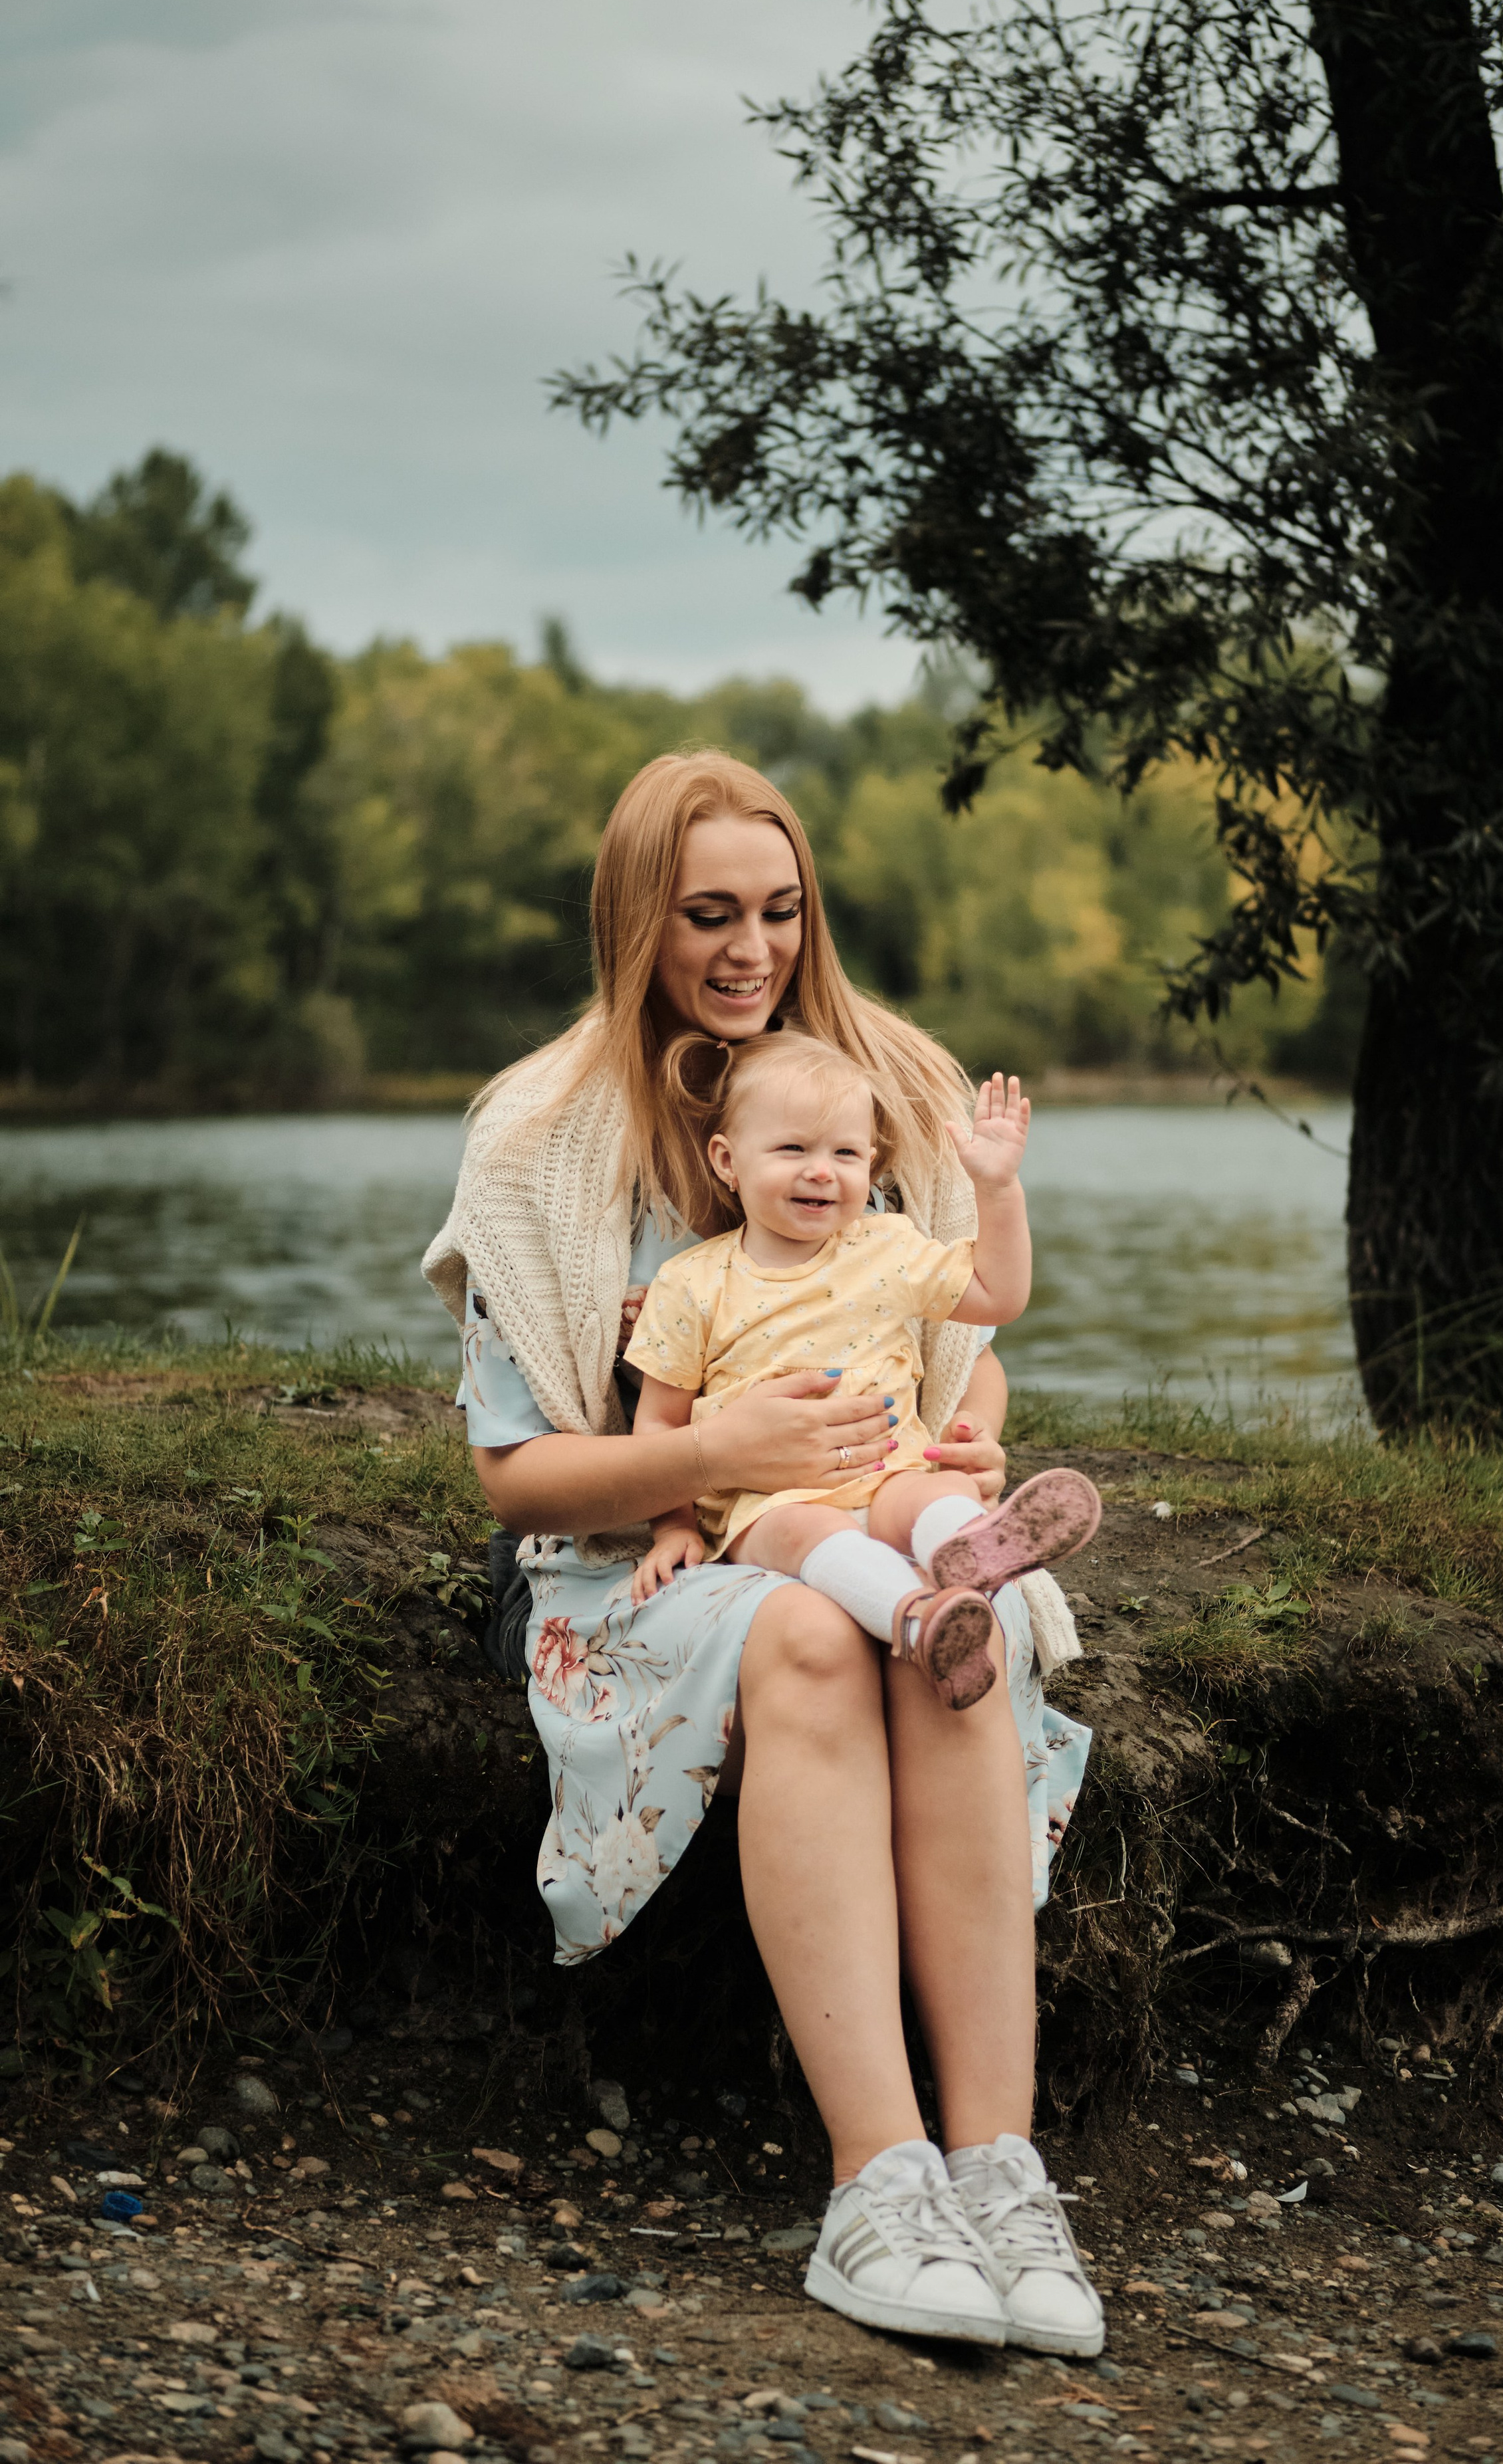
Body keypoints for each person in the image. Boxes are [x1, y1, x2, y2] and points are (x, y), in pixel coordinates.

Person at [423, 748, 1103, 2357]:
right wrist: (709, 1455)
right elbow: (515, 1480)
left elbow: (953, 1330)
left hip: (873, 1510)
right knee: (808, 1632)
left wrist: (969, 1433)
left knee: (961, 1628)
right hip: (630, 1554)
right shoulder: (537, 1137)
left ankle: (997, 2165)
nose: (749, 950)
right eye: (705, 913)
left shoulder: (881, 1077)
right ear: (631, 917)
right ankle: (874, 2177)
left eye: (780, 911)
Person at [625, 1028, 1102, 1713]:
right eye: (793, 1149)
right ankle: (919, 1621)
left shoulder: (886, 1247)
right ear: (728, 1160)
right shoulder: (693, 1282)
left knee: (935, 1499)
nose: (822, 1170)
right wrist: (672, 1528)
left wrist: (997, 1190)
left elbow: (999, 1296)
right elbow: (660, 1425)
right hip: (768, 1500)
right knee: (809, 1534)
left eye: (845, 1153)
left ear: (870, 1165)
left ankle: (975, 1553)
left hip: (890, 1470)